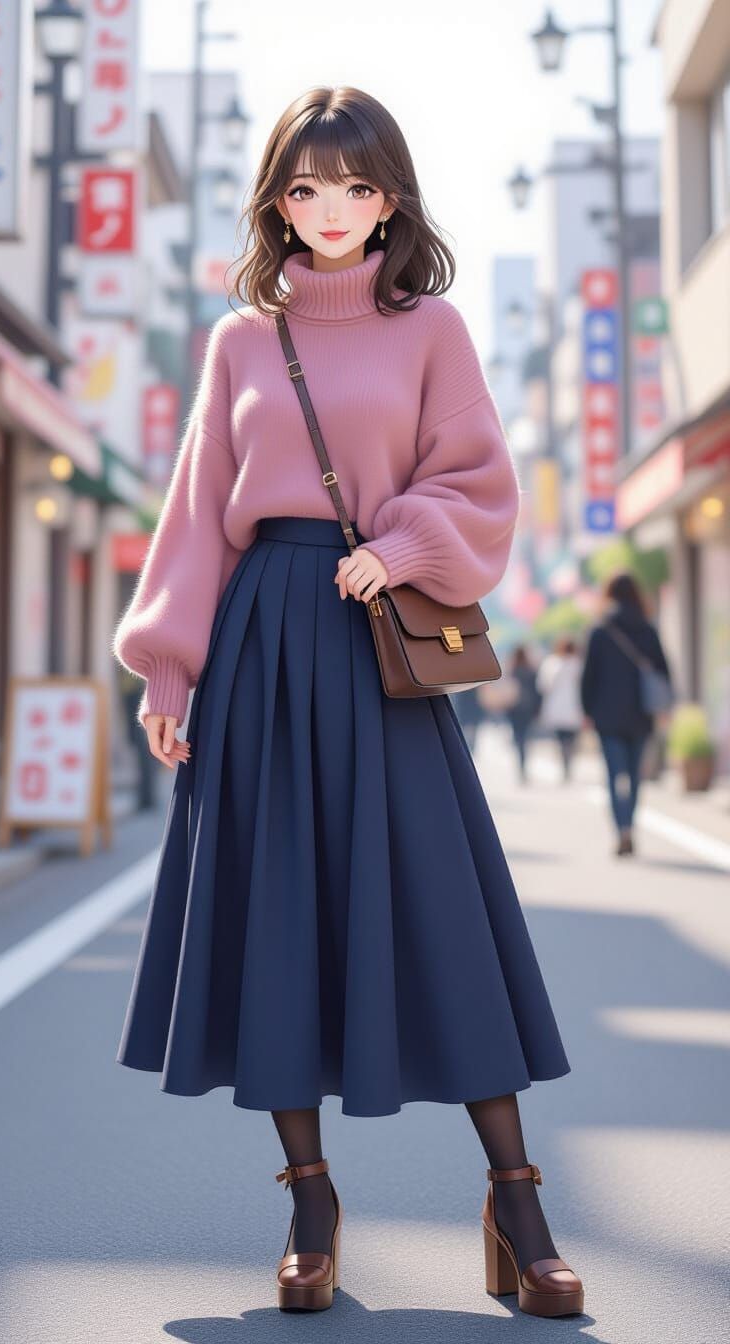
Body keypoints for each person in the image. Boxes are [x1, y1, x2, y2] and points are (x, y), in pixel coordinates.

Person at [112, 86, 583, 1319]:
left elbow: (478, 478)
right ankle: (311, 1200)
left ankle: (518, 1198)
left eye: (359, 189)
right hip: (265, 633)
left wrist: (410, 540)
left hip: (380, 637)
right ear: (277, 198)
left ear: (393, 200)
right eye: (308, 189)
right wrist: (173, 669)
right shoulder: (237, 343)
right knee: (278, 913)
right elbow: (197, 518)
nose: (332, 212)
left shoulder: (431, 330)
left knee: (439, 908)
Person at [581, 571, 671, 856]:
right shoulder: (648, 629)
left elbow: (588, 677)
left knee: (613, 776)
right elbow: (664, 672)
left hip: (607, 716)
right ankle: (630, 827)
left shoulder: (599, 631)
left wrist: (587, 710)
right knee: (634, 776)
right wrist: (665, 708)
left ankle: (620, 829)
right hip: (640, 715)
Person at [537, 638, 584, 781]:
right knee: (571, 737)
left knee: (561, 738)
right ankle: (568, 762)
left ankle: (565, 762)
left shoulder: (551, 663)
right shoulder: (579, 664)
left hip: (556, 706)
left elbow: (543, 686)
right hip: (576, 707)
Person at [505, 646, 542, 783]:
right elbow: (537, 692)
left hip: (514, 709)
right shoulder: (531, 671)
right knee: (526, 737)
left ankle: (521, 766)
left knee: (518, 737)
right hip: (528, 709)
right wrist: (538, 709)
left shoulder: (512, 671)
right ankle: (523, 765)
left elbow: (506, 691)